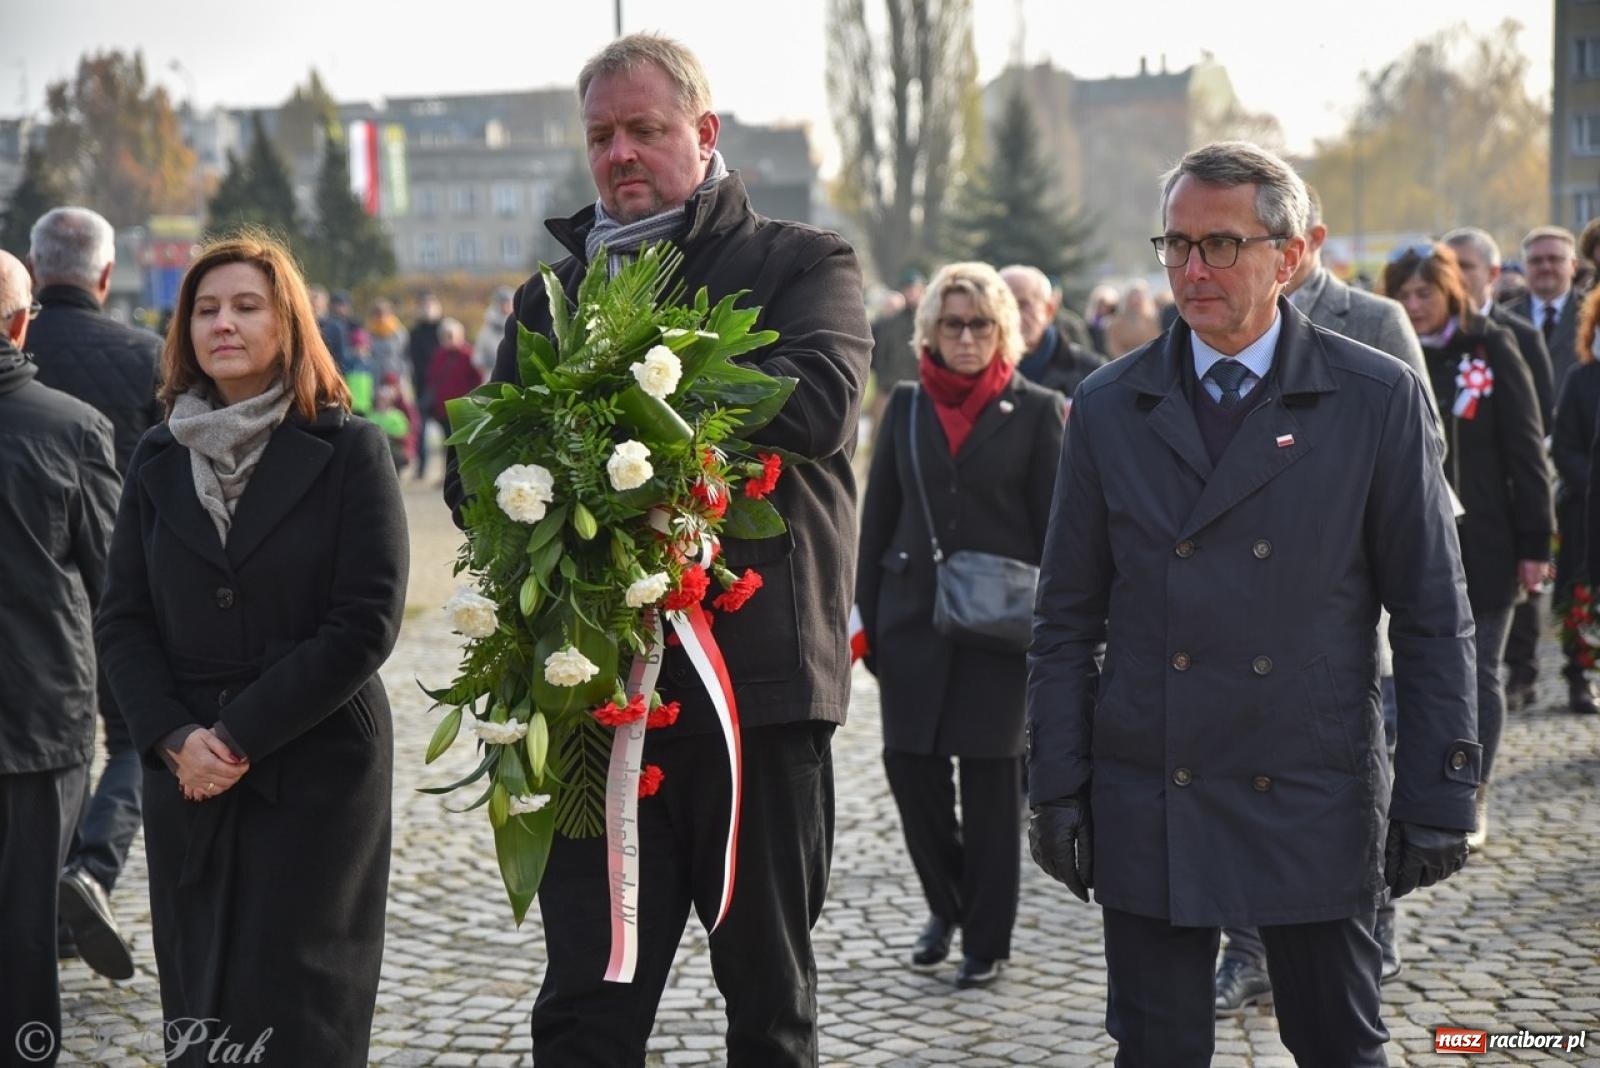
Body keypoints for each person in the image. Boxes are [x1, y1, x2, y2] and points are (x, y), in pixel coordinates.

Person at [444, 33, 871, 1067]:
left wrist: (621, 391)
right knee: (584, 1011)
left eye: (644, 128)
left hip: (753, 699)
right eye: (601, 136)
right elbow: (475, 482)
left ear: (704, 132)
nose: (620, 153)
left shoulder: (803, 262)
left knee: (768, 1005)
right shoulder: (547, 298)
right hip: (590, 701)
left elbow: (817, 407)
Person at [1027, 142, 1479, 1066]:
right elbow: (1066, 619)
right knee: (1156, 1050)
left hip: (1311, 784)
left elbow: (1433, 613)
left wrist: (1440, 789)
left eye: (1222, 245)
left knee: (1339, 1044)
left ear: (1292, 255)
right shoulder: (1109, 405)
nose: (1193, 270)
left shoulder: (1375, 397)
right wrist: (1057, 787)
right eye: (1177, 244)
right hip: (1153, 783)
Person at [95, 232, 408, 1067]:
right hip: (187, 773)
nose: (222, 324)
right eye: (205, 310)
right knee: (202, 1005)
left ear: (288, 323)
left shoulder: (350, 450)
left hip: (314, 764)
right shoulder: (157, 455)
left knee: (302, 1011)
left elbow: (365, 620)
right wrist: (173, 738)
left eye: (244, 306)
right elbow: (122, 618)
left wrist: (237, 737)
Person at [1212, 184, 1441, 1012]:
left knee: (1349, 778)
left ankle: (1372, 930)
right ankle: (1246, 952)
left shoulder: (1372, 322)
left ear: (1302, 244)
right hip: (1232, 603)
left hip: (1336, 602)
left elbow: (1422, 446)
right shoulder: (1210, 318)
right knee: (1232, 778)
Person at [856, 262, 1065, 990]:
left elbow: (1056, 532)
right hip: (911, 621)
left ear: (1003, 329)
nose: (967, 337)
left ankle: (986, 939)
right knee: (910, 773)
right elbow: (876, 519)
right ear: (931, 332)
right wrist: (866, 619)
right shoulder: (907, 407)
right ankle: (947, 905)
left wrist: (1060, 634)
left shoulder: (1037, 410)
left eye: (980, 324)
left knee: (990, 789)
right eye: (953, 324)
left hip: (1001, 633)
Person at [25, 205, 164, 981]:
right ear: (107, 275)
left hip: (26, 590)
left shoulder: (16, 351)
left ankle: (48, 892)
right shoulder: (146, 356)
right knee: (136, 738)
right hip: (122, 584)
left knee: (41, 751)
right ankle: (89, 870)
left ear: (34, 270)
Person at [1383, 243, 1551, 852]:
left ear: (1450, 291)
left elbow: (1527, 451)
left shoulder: (1491, 347)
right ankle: (1418, 788)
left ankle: (1472, 792)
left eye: (1424, 293)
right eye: (1403, 295)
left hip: (1487, 544)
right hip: (1415, 543)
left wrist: (1535, 542)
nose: (1413, 305)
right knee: (1413, 674)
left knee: (1478, 673)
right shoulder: (1389, 354)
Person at [0, 248, 119, 1068]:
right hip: (40, 715)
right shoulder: (71, 428)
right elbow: (114, 579)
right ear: (20, 323)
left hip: (41, 714)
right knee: (25, 931)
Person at [1504, 226, 1595, 715]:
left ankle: (1579, 668)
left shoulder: (1590, 314)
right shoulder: (1507, 319)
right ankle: (1523, 671)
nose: (1545, 268)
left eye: (1554, 259)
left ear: (1572, 266)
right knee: (1529, 563)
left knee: (1577, 570)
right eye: (1536, 260)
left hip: (1578, 457)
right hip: (1523, 459)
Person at [1001, 263, 1104, 400]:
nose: (1013, 315)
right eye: (1003, 305)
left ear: (1049, 310)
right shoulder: (977, 369)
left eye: (1023, 305)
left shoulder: (1091, 373)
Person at [424, 316, 483, 438]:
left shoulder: (468, 354)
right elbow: (432, 379)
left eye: (451, 336)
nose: (448, 340)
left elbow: (478, 379)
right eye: (445, 336)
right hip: (444, 409)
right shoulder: (439, 355)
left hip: (464, 408)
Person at [406, 291, 443, 478]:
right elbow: (412, 360)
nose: (427, 309)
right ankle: (421, 468)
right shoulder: (414, 333)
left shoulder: (443, 330)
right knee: (420, 428)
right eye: (424, 305)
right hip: (421, 386)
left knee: (448, 430)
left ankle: (448, 469)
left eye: (430, 305)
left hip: (443, 387)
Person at [1104, 279, 1162, 356]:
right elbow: (1114, 347)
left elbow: (1156, 342)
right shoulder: (1117, 323)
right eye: (1133, 296)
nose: (1136, 300)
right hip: (1125, 360)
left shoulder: (1152, 320)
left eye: (1139, 296)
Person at [473, 286, 515, 377]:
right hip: (492, 376)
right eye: (503, 303)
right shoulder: (486, 331)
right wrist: (492, 362)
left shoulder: (519, 325)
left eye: (509, 303)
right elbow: (477, 358)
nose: (506, 307)